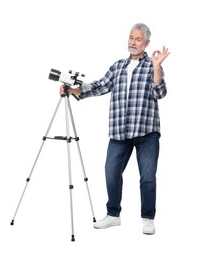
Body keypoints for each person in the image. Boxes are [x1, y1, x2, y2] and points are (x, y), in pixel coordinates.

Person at [60, 23, 169, 235]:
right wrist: (74, 90)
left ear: (146, 43)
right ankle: (113, 215)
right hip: (120, 130)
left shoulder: (152, 65)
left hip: (146, 131)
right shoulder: (118, 66)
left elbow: (160, 93)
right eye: (131, 38)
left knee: (147, 176)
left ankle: (148, 218)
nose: (133, 42)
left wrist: (157, 67)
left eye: (138, 39)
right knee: (111, 172)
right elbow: (100, 85)